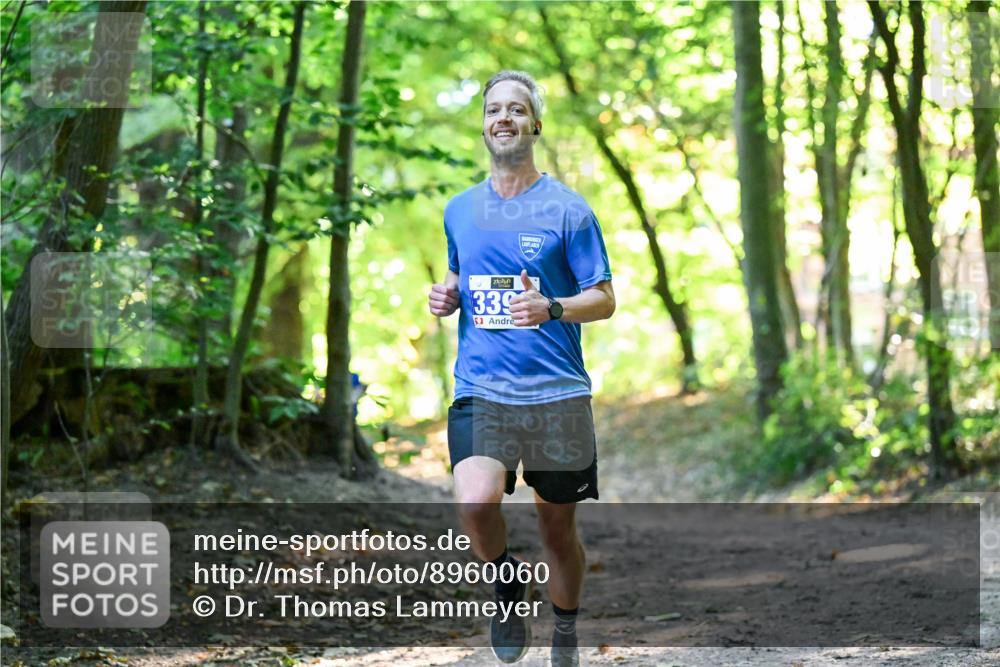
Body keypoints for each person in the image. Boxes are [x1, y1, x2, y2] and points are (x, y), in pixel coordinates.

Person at [428, 70, 615, 666]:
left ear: (535, 123)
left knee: (557, 531)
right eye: (492, 110)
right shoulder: (460, 210)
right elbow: (462, 273)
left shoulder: (569, 210)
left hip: (557, 394)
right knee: (475, 504)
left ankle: (564, 629)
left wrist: (552, 306)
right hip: (482, 387)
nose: (502, 118)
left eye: (515, 109)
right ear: (484, 125)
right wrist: (447, 294)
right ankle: (506, 585)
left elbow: (604, 298)